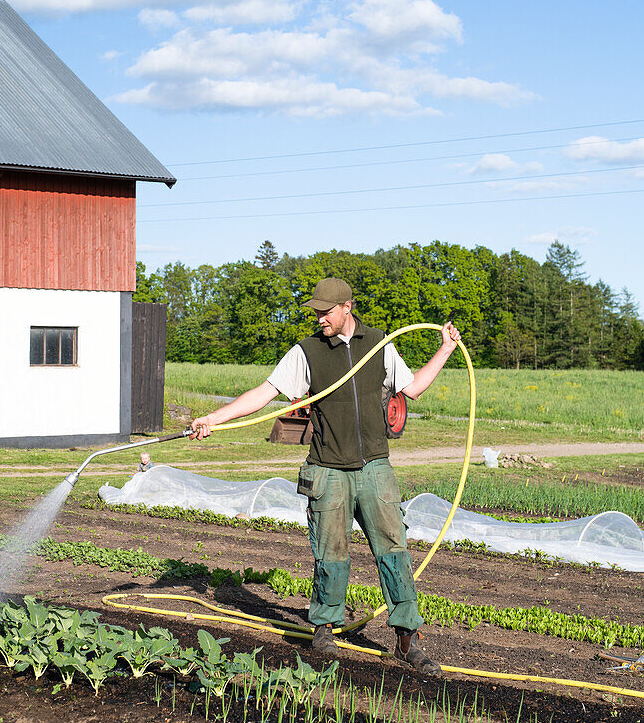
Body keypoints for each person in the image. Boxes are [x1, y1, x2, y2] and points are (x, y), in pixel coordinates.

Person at [190, 277, 461, 676]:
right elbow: (263, 394)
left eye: (326, 311)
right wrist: (215, 418)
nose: (320, 318)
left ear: (347, 308)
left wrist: (446, 349)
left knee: (394, 552)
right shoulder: (307, 353)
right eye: (316, 312)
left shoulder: (380, 346)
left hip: (375, 469)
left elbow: (413, 388)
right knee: (330, 554)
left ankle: (407, 639)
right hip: (328, 469)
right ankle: (324, 627)